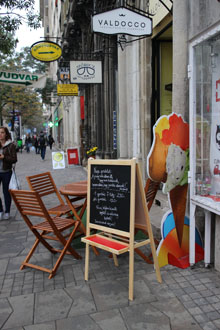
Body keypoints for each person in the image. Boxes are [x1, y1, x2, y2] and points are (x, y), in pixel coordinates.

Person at [0, 127, 17, 220]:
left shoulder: (10, 145)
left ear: (6, 134)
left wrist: (4, 157)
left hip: (6, 172)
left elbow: (14, 159)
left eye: (2, 132)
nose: (0, 134)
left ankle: (7, 211)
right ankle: (0, 210)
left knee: (6, 192)